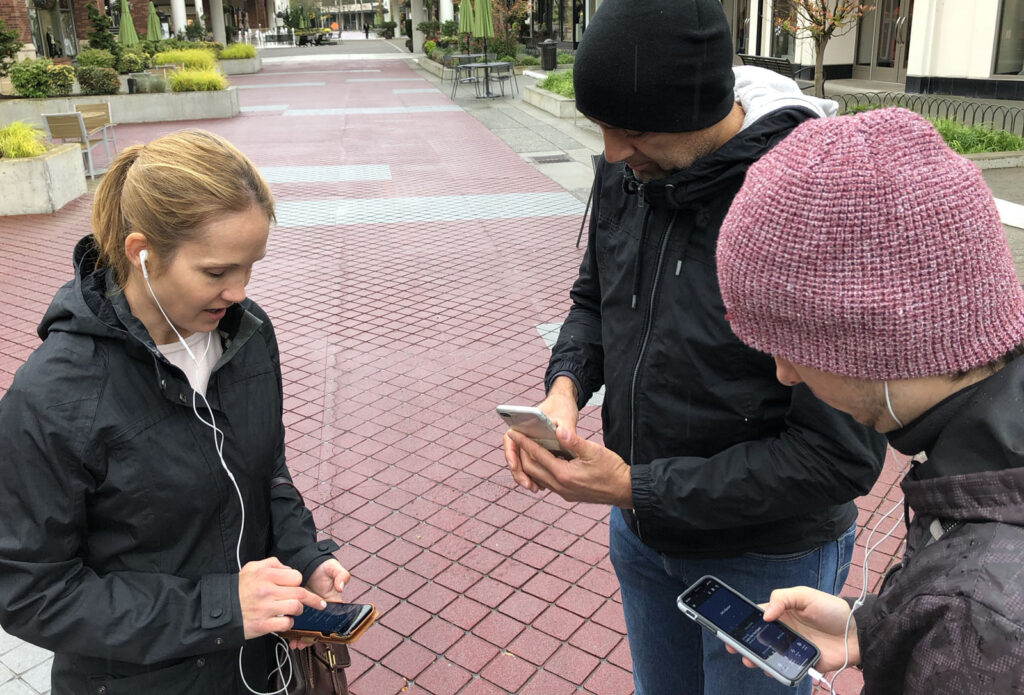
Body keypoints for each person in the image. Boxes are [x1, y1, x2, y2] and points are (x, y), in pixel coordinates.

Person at [501, 1, 888, 693]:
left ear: (700, 109)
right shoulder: (632, 166)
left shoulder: (811, 203)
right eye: (602, 129)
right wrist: (564, 388)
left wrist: (630, 485)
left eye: (632, 131)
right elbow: (594, 299)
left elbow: (839, 454)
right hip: (643, 534)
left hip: (767, 557)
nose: (614, 153)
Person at [0, 129, 352, 694]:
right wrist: (221, 608)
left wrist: (302, 557)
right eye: (216, 272)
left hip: (263, 669)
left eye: (250, 267)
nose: (238, 292)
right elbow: (33, 593)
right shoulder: (55, 396)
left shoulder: (248, 336)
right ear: (142, 253)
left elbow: (266, 471)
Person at [715, 107, 1024, 693]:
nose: (783, 374)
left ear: (874, 338)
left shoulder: (982, 623)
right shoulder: (984, 463)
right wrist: (874, 624)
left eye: (792, 349)